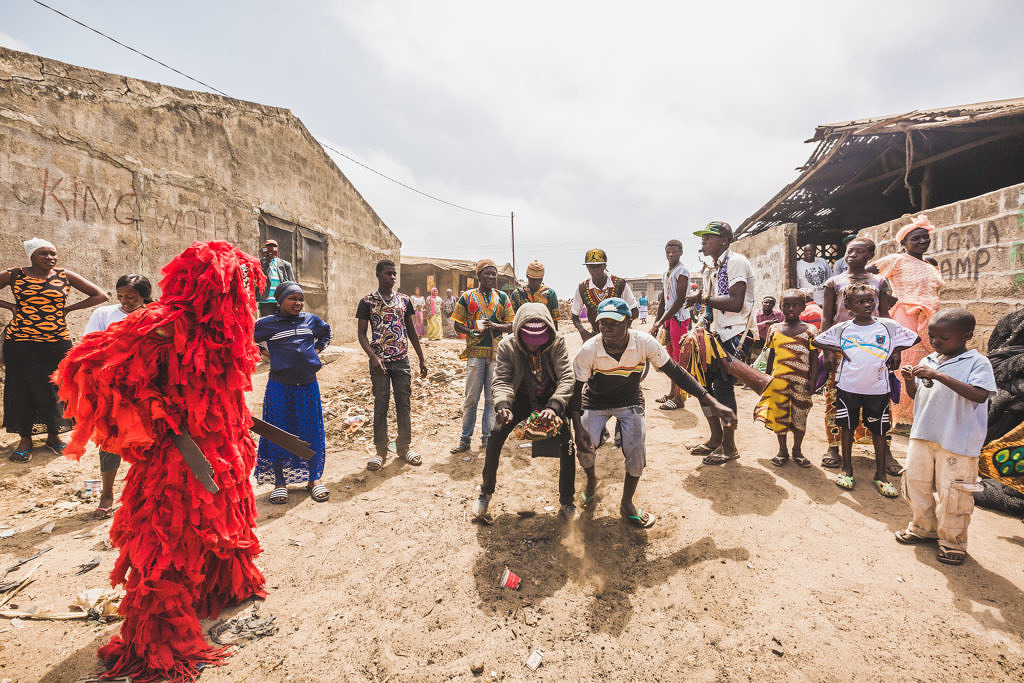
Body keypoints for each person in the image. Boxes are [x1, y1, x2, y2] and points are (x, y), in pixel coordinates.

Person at [56, 241, 267, 681]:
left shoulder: (228, 330)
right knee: (167, 536)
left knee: (221, 522)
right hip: (176, 455)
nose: (243, 294)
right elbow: (86, 365)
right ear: (206, 285)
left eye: (246, 286)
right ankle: (157, 636)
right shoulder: (162, 324)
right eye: (236, 285)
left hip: (221, 447)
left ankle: (220, 587)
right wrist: (152, 410)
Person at [571, 298, 737, 527]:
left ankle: (627, 503)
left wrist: (711, 401)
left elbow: (676, 373)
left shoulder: (644, 343)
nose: (607, 328)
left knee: (636, 451)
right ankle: (591, 481)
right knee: (584, 447)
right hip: (595, 402)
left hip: (629, 401)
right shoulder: (589, 349)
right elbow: (575, 392)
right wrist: (577, 427)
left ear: (628, 322)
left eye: (614, 323)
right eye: (603, 323)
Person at [896, 308, 996, 565]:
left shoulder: (977, 362)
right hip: (923, 434)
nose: (936, 342)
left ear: (966, 336)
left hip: (958, 441)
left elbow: (980, 395)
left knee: (954, 492)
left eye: (943, 337)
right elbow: (918, 394)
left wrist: (938, 375)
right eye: (932, 336)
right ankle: (923, 528)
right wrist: (910, 380)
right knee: (916, 482)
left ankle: (953, 542)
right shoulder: (929, 359)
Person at [1, 238, 107, 462]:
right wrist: (10, 306)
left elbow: (100, 295)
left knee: (56, 390)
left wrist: (68, 309)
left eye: (53, 253)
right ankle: (25, 440)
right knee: (22, 389)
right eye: (43, 253)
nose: (50, 258)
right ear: (31, 256)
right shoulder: (15, 274)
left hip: (56, 342)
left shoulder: (64, 275)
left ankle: (54, 436)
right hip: (20, 343)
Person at [473, 303, 577, 520]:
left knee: (567, 444)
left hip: (550, 400)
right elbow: (502, 380)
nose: (534, 346)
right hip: (519, 398)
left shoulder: (557, 343)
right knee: (496, 435)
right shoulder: (507, 346)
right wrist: (503, 406)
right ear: (519, 332)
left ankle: (567, 501)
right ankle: (485, 492)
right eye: (529, 341)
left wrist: (555, 406)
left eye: (539, 341)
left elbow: (567, 377)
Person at [814, 284, 919, 495]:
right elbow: (818, 340)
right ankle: (847, 469)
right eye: (860, 302)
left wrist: (893, 350)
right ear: (849, 307)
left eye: (870, 300)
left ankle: (881, 475)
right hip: (848, 388)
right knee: (847, 428)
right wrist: (837, 348)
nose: (867, 305)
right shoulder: (843, 328)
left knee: (879, 431)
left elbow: (914, 338)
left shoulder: (887, 326)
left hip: (878, 390)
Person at [254, 282, 332, 504]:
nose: (297, 303)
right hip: (280, 387)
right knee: (279, 431)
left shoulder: (310, 320)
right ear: (280, 301)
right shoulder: (266, 324)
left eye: (300, 299)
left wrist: (315, 351)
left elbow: (326, 333)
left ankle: (313, 479)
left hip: (308, 386)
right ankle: (280, 483)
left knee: (311, 431)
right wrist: (266, 354)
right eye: (292, 298)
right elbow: (246, 339)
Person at [820, 237, 895, 470]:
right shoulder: (834, 282)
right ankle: (834, 446)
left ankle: (885, 450)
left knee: (879, 397)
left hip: (874, 350)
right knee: (836, 398)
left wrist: (892, 348)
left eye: (859, 251)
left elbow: (885, 316)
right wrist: (828, 350)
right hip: (842, 350)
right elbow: (827, 318)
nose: (852, 255)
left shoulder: (880, 282)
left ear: (870, 255)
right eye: (849, 251)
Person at [82, 274, 152, 518]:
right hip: (112, 389)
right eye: (121, 296)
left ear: (144, 296)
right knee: (110, 441)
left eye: (131, 297)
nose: (124, 302)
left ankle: (145, 492)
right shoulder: (104, 314)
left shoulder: (155, 315)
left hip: (147, 389)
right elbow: (89, 345)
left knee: (149, 441)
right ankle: (107, 494)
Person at [684, 221, 755, 465]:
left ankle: (729, 446)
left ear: (724, 240)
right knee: (702, 385)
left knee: (723, 388)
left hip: (737, 332)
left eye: (708, 238)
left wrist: (702, 298)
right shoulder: (712, 269)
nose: (703, 242)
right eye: (702, 238)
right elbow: (710, 309)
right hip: (718, 333)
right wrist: (696, 329)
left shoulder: (736, 262)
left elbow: (735, 302)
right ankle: (716, 438)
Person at [872, 214, 944, 427]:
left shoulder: (931, 263)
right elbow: (864, 274)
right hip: (907, 317)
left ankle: (921, 413)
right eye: (916, 238)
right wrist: (885, 297)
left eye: (925, 237)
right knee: (905, 364)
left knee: (927, 364)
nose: (923, 241)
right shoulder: (896, 260)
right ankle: (902, 418)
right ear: (903, 243)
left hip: (930, 318)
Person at [357, 259, 428, 470]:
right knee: (381, 404)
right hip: (379, 363)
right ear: (378, 275)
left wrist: (421, 358)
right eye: (388, 273)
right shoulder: (367, 302)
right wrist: (373, 357)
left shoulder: (404, 300)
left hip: (401, 360)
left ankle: (404, 448)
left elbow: (411, 331)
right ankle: (381, 451)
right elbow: (361, 335)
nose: (392, 277)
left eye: (394, 274)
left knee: (403, 404)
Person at [450, 260, 515, 453]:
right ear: (479, 276)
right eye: (487, 273)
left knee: (491, 399)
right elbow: (457, 324)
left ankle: (488, 438)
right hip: (475, 353)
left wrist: (495, 326)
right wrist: (471, 331)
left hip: (495, 354)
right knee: (471, 398)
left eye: (494, 274)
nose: (491, 277)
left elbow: (511, 324)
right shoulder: (467, 297)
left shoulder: (502, 297)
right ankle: (465, 439)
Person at [755, 289, 817, 467]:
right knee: (779, 415)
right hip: (778, 382)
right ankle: (782, 450)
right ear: (780, 307)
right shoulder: (774, 329)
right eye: (786, 305)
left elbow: (814, 358)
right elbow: (771, 355)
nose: (791, 309)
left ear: (803, 307)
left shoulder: (810, 330)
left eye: (795, 305)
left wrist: (812, 380)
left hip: (801, 382)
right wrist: (766, 378)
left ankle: (797, 450)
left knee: (800, 416)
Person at [651, 239, 691, 411]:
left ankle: (679, 397)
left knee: (678, 359)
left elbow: (679, 300)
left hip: (679, 318)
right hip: (669, 319)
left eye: (674, 251)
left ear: (681, 253)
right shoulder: (666, 273)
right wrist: (657, 322)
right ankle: (672, 393)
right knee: (670, 358)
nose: (671, 254)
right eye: (668, 252)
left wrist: (660, 321)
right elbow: (663, 300)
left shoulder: (682, 271)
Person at [571, 248, 638, 341]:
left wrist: (624, 328)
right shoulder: (582, 288)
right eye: (591, 266)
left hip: (619, 337)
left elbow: (634, 310)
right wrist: (583, 332)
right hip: (595, 336)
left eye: (598, 266)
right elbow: (574, 315)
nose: (595, 270)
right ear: (587, 267)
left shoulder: (620, 284)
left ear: (604, 266)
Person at [510, 259, 559, 329]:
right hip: (522, 332)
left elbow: (554, 321)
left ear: (542, 279)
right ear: (527, 276)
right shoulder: (517, 294)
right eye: (532, 279)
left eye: (539, 280)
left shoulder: (550, 294)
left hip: (544, 332)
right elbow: (512, 320)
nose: (536, 283)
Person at [256, 239, 294, 318]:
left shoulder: (285, 265)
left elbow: (292, 283)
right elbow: (259, 278)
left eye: (274, 247)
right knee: (268, 323)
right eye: (268, 247)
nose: (271, 249)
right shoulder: (259, 263)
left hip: (281, 300)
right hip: (265, 301)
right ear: (264, 249)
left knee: (282, 322)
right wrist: (267, 262)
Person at [796, 242, 832, 306]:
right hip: (808, 303)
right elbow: (797, 286)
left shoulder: (822, 261)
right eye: (806, 251)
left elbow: (830, 279)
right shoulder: (798, 265)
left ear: (815, 251)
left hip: (824, 301)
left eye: (811, 251)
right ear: (803, 252)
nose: (809, 253)